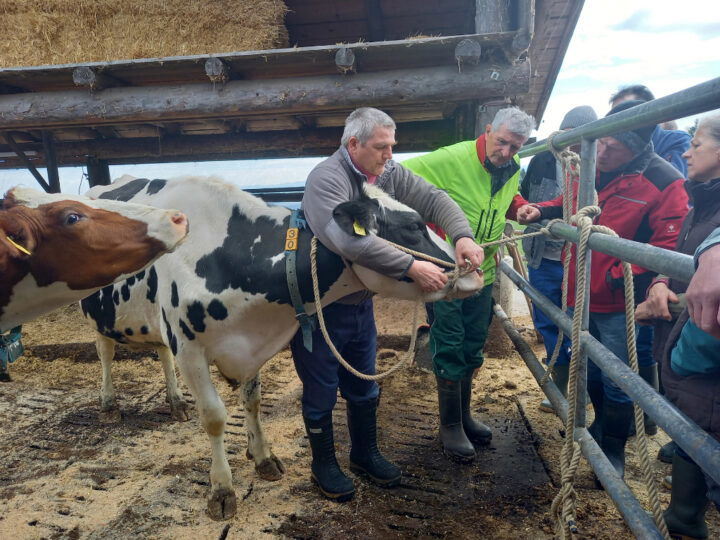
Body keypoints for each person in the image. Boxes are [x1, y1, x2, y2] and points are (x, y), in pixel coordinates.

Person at [293, 107, 484, 502]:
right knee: (322, 388)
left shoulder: (388, 173)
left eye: (392, 146)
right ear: (353, 144)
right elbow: (348, 241)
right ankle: (323, 464)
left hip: (360, 301)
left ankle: (364, 454)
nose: (389, 155)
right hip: (321, 307)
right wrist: (412, 265)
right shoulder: (327, 180)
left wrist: (461, 235)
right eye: (381, 147)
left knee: (364, 382)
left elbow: (432, 198)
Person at [517, 99, 689, 480]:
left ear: (638, 147)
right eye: (603, 142)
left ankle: (613, 448)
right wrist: (543, 211)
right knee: (590, 364)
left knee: (619, 375)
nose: (604, 151)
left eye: (615, 146)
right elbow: (571, 203)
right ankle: (599, 425)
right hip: (580, 288)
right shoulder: (592, 167)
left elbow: (670, 245)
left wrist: (634, 276)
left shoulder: (664, 182)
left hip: (618, 299)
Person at [403, 106, 535, 462]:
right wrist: (430, 237)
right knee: (449, 341)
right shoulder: (452, 158)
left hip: (484, 272)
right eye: (502, 142)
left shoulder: (513, 167)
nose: (506, 152)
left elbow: (501, 201)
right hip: (447, 272)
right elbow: (398, 180)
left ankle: (463, 415)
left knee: (474, 343)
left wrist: (519, 207)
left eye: (515, 146)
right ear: (488, 130)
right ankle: (449, 426)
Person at [635, 113, 720, 465]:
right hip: (686, 344)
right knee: (689, 425)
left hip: (701, 353)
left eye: (697, 145)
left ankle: (685, 515)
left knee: (703, 431)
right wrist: (660, 281)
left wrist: (664, 307)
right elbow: (679, 256)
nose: (687, 153)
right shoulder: (700, 204)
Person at [519, 105, 597, 413]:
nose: (572, 145)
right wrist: (530, 210)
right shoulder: (541, 159)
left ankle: (582, 387)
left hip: (577, 260)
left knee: (578, 323)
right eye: (567, 137)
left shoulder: (594, 166)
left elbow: (586, 204)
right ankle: (561, 386)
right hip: (543, 256)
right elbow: (524, 195)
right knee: (548, 322)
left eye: (580, 139)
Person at [659, 227, 720, 540]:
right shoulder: (701, 202)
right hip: (698, 375)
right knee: (693, 435)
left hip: (700, 369)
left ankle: (685, 517)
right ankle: (684, 517)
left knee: (699, 436)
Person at [610, 84, 691, 177]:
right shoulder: (608, 147)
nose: (619, 122)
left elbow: (671, 180)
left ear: (649, 112)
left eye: (625, 113)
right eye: (613, 117)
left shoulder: (676, 140)